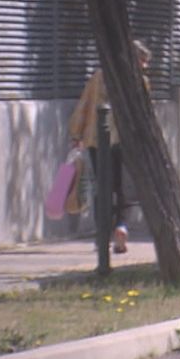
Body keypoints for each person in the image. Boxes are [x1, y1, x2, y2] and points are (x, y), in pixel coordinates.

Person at [68, 39, 151, 254]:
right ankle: (121, 226)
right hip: (126, 141)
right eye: (143, 61)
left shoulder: (99, 76)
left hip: (96, 140)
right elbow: (145, 114)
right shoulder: (140, 81)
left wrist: (76, 133)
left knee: (102, 187)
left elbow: (85, 103)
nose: (145, 66)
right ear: (134, 59)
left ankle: (103, 235)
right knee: (124, 187)